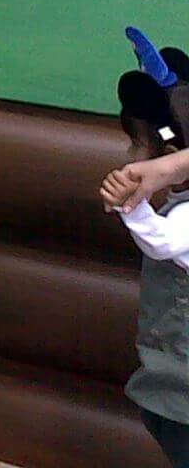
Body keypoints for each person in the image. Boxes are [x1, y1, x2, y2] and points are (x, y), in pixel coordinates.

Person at [99, 28, 189, 465]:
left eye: (136, 143)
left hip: (181, 394)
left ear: (167, 151)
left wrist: (131, 207)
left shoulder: (184, 216)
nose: (130, 153)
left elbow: (162, 241)